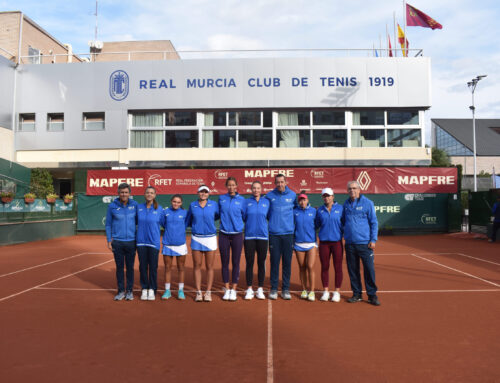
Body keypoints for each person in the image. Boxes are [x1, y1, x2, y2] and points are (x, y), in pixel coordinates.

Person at [342, 181, 380, 306]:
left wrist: (373, 240)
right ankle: (357, 294)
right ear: (347, 191)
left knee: (369, 270)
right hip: (350, 244)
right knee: (353, 270)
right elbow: (343, 222)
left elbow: (374, 222)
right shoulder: (346, 204)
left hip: (365, 244)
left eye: (354, 188)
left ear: (359, 189)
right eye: (350, 189)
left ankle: (372, 295)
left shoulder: (368, 203)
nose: (352, 190)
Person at [265, 174, 297, 300]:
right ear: (275, 183)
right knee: (274, 262)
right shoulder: (269, 196)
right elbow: (267, 214)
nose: (280, 184)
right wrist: (274, 223)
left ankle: (285, 289)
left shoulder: (293, 195)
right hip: (274, 235)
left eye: (282, 182)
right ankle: (273, 288)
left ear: (286, 182)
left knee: (287, 263)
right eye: (277, 182)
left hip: (288, 234)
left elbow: (296, 211)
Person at [186, 185, 220, 302]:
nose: (203, 194)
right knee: (197, 265)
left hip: (210, 238)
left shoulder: (214, 205)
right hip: (196, 238)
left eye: (205, 192)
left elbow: (216, 216)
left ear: (208, 194)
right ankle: (198, 292)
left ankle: (208, 292)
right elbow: (189, 220)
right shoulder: (192, 205)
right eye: (201, 192)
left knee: (209, 266)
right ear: (198, 193)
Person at [105, 183, 138, 301]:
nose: (124, 194)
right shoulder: (112, 206)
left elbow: (140, 222)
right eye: (122, 192)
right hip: (117, 242)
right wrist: (109, 240)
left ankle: (129, 291)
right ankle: (120, 291)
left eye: (126, 192)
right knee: (119, 267)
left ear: (129, 193)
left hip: (131, 242)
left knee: (130, 267)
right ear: (118, 193)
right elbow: (108, 224)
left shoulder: (135, 205)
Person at [218, 177, 246, 301]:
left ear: (236, 186)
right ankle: (227, 289)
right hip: (223, 234)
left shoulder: (242, 200)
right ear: (226, 186)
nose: (231, 187)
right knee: (224, 263)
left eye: (233, 185)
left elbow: (244, 216)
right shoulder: (221, 199)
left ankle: (233, 290)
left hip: (237, 235)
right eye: (229, 185)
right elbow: (218, 213)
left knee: (235, 262)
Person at [315, 187, 344, 303]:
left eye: (328, 195)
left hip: (337, 242)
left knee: (338, 268)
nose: (326, 198)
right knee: (324, 267)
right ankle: (326, 291)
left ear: (333, 197)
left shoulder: (341, 208)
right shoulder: (320, 210)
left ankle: (336, 292)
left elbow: (345, 224)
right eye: (324, 196)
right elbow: (316, 224)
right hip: (324, 243)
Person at [243, 181, 270, 300]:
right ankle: (249, 289)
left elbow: (269, 216)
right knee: (249, 263)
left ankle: (259, 289)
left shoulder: (266, 202)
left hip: (263, 237)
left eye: (258, 188)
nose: (256, 190)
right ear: (251, 189)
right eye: (254, 188)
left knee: (261, 263)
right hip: (249, 237)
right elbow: (244, 217)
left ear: (261, 189)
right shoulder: (246, 202)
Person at [136, 186, 164, 301]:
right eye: (147, 192)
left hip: (154, 243)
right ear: (144, 194)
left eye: (152, 193)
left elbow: (164, 224)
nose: (149, 194)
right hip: (141, 242)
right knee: (142, 267)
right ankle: (144, 288)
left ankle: (152, 289)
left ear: (155, 195)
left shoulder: (160, 209)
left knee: (153, 267)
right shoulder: (139, 207)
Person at [161, 194, 188, 300]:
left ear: (181, 203)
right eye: (174, 201)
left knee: (181, 268)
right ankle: (167, 291)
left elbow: (185, 224)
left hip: (180, 244)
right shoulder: (165, 212)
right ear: (171, 202)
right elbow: (163, 224)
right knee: (167, 268)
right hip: (167, 244)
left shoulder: (185, 213)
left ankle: (180, 290)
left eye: (178, 202)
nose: (176, 204)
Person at [293, 192, 317, 302]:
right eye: (300, 200)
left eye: (304, 200)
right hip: (298, 244)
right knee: (302, 267)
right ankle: (304, 290)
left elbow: (317, 224)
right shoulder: (295, 212)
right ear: (298, 201)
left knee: (310, 266)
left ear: (307, 201)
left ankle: (311, 291)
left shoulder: (313, 211)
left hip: (311, 243)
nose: (302, 202)